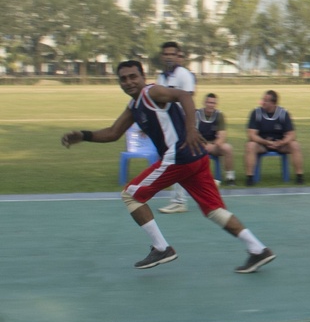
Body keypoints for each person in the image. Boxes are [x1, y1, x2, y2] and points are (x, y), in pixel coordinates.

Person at [60, 60, 275, 273]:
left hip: (179, 157)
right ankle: (258, 249)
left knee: (131, 195)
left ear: (143, 78)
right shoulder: (134, 105)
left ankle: (162, 248)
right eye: (123, 79)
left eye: (133, 77)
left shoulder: (152, 93)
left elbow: (183, 95)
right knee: (213, 210)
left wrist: (191, 129)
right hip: (195, 159)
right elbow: (113, 132)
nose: (129, 82)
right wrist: (84, 136)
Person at [156, 41, 196, 213]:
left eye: (172, 54)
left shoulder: (183, 75)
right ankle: (205, 182)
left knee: (176, 161)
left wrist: (189, 128)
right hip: (168, 125)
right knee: (180, 161)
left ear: (178, 55)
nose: (169, 57)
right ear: (162, 56)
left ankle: (179, 201)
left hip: (181, 124)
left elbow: (189, 100)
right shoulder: (162, 77)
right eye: (166, 54)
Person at [245, 90, 304, 185]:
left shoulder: (283, 113)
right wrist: (265, 142)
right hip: (262, 144)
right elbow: (251, 135)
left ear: (273, 103)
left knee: (295, 145)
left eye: (265, 100)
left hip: (280, 144)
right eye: (263, 99)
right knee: (250, 145)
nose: (262, 102)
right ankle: (250, 178)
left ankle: (299, 176)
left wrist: (281, 142)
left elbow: (292, 134)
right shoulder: (256, 113)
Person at [197, 92, 236, 186]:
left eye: (213, 103)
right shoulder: (196, 114)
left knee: (228, 148)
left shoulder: (219, 115)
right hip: (199, 145)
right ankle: (195, 178)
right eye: (209, 103)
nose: (211, 105)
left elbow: (222, 135)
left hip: (214, 145)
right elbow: (193, 133)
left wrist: (213, 145)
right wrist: (204, 145)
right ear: (204, 103)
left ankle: (230, 177)